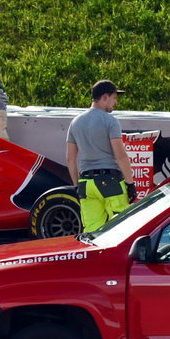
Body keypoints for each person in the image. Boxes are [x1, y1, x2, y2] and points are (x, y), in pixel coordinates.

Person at [67, 79, 132, 231]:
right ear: (105, 97)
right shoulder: (110, 121)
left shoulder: (75, 122)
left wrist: (77, 185)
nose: (115, 103)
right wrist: (130, 183)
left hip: (85, 183)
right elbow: (120, 155)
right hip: (110, 181)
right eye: (114, 98)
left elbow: (70, 158)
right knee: (121, 228)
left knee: (92, 231)